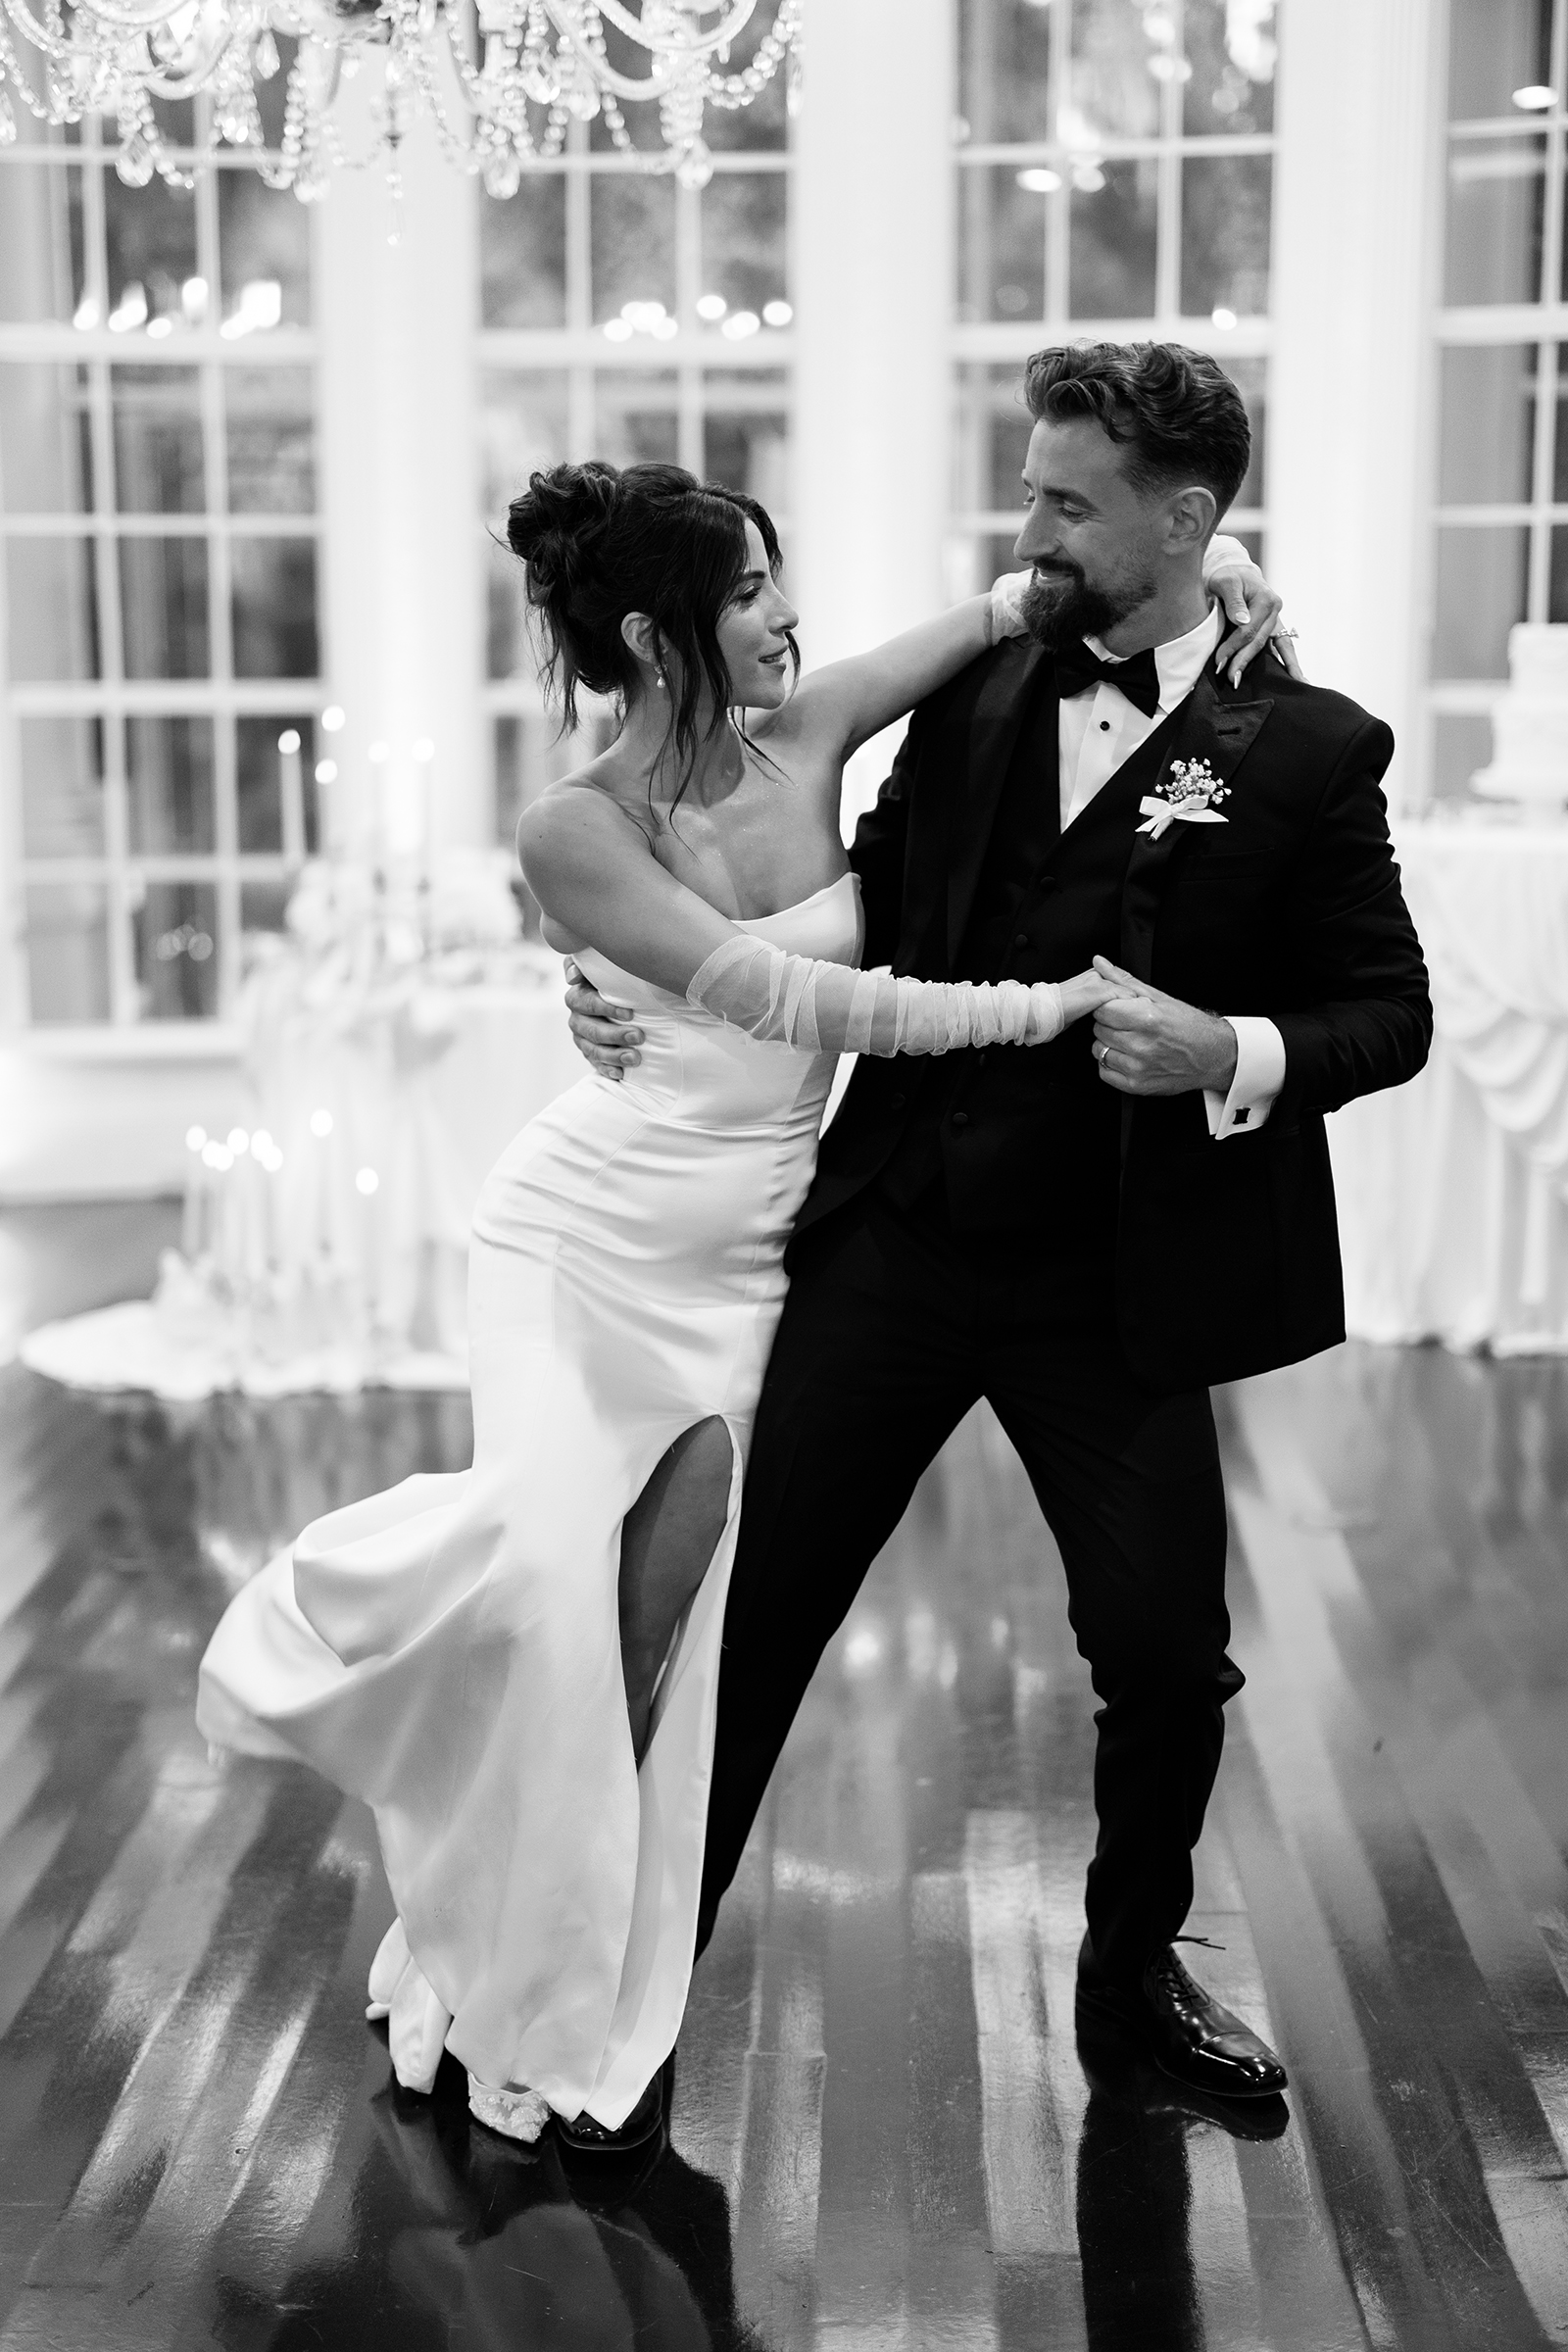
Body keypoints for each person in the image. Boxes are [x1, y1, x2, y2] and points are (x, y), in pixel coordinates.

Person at [198, 451, 1279, 2152]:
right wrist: (1048, 1008)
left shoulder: (818, 723)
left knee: (653, 1642)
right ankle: (434, 1803)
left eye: (784, 582)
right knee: (549, 1581)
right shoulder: (574, 825)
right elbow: (794, 999)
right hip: (579, 1246)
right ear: (655, 628)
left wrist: (1223, 586)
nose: (791, 617)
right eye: (755, 591)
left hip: (741, 1263)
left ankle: (545, 1958)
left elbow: (1028, 603)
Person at [566, 342, 1433, 2114]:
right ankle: (626, 1998)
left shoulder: (1313, 748)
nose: (1027, 522)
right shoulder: (976, 691)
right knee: (754, 1623)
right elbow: (828, 905)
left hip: (1122, 1286)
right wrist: (618, 990)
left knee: (1166, 1663)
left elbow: (1389, 1012)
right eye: (1027, 482)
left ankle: (1128, 1990)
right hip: (893, 1236)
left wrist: (1230, 1051)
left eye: (1066, 498)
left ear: (1185, 521)